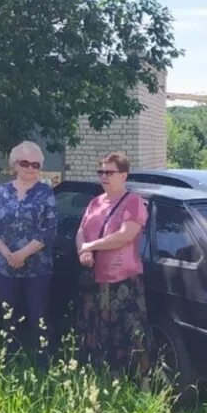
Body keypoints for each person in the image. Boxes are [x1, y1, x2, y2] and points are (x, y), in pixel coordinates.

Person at [76, 151, 150, 377]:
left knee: (128, 333)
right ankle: (102, 378)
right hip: (94, 280)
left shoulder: (133, 202)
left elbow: (124, 236)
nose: (104, 176)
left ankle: (137, 381)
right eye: (101, 172)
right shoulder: (95, 202)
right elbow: (81, 231)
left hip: (122, 282)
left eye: (110, 172)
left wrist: (91, 246)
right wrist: (83, 250)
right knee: (95, 331)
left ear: (124, 175)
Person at [0, 140, 57, 362]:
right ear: (15, 165)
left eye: (36, 165)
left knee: (38, 316)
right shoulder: (1, 192)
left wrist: (22, 254)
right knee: (9, 316)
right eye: (25, 163)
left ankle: (41, 361)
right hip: (4, 266)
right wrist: (8, 255)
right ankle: (10, 360)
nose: (30, 169)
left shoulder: (46, 193)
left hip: (37, 267)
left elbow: (49, 231)